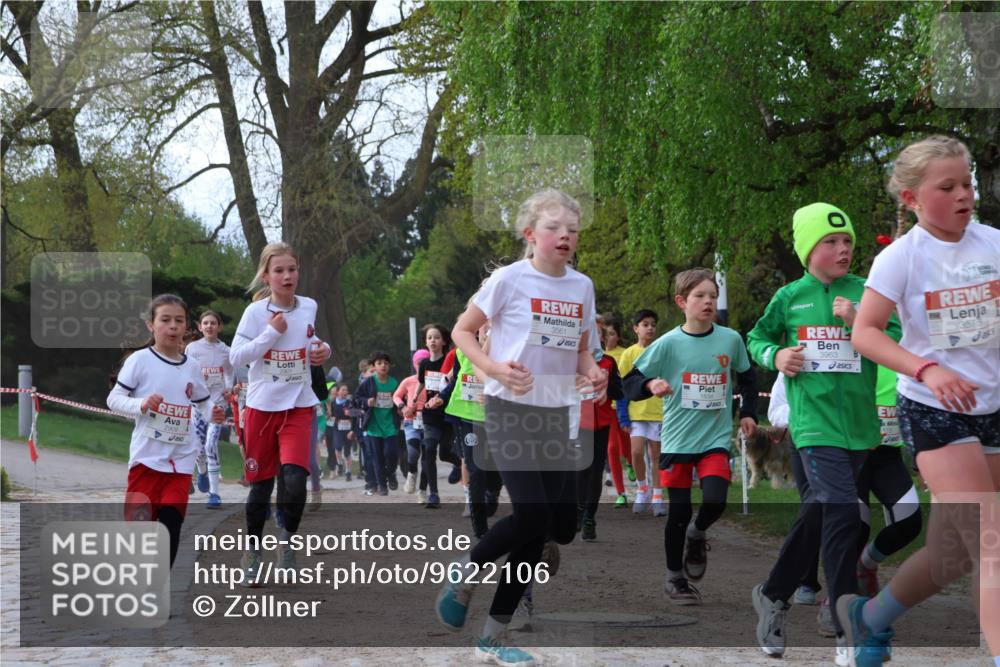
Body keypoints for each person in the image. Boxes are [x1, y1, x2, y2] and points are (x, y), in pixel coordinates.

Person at [434, 188, 607, 667]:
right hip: (509, 408)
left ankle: (492, 637)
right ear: (531, 234)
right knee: (531, 517)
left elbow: (581, 350)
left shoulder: (582, 287)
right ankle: (466, 573)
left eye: (572, 229)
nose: (566, 236)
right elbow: (462, 332)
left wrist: (592, 372)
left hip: (560, 414)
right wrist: (493, 369)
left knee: (546, 531)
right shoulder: (508, 279)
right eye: (555, 228)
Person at [848, 135, 1000, 667]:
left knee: (951, 556)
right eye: (948, 187)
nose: (965, 195)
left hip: (993, 408)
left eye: (968, 183)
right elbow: (865, 333)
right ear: (912, 198)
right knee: (990, 543)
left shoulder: (993, 243)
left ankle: (870, 618)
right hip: (934, 410)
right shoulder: (901, 257)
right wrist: (926, 368)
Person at [746, 202, 901, 661]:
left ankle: (773, 594)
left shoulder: (868, 292)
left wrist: (859, 321)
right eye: (830, 242)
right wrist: (775, 356)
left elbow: (896, 341)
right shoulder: (789, 297)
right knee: (840, 511)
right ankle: (846, 619)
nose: (842, 249)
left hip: (859, 427)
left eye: (847, 241)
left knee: (820, 512)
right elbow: (757, 338)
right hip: (812, 426)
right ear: (807, 250)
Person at [624, 268, 758, 605]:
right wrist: (650, 384)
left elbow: (748, 378)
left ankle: (697, 535)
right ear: (682, 302)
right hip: (677, 441)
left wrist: (750, 413)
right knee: (678, 513)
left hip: (715, 438)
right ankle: (675, 578)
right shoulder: (668, 344)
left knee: (715, 500)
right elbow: (628, 383)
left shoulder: (731, 339)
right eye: (700, 296)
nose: (708, 302)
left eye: (712, 296)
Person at [230, 242, 332, 579]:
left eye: (292, 269)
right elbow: (237, 357)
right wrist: (271, 333)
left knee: (294, 481)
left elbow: (312, 341)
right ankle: (253, 551)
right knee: (260, 487)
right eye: (279, 271)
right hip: (262, 409)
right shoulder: (255, 314)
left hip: (299, 407)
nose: (287, 276)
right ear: (265, 276)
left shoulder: (309, 306)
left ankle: (286, 542)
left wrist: (322, 351)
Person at [110, 294, 224, 567]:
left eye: (179, 320)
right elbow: (114, 399)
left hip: (181, 461)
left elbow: (202, 400)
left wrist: (213, 413)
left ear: (187, 327)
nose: (173, 326)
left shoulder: (191, 366)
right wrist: (141, 404)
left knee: (171, 526)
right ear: (151, 325)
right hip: (146, 459)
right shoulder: (140, 360)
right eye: (165, 320)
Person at [617, 309, 665, 514]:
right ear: (636, 328)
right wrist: (623, 415)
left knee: (656, 455)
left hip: (658, 413)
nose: (650, 328)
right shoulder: (629, 354)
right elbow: (622, 387)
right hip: (636, 413)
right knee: (636, 452)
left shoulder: (661, 351)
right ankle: (642, 489)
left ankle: (657, 496)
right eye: (645, 324)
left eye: (653, 324)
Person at [185, 310, 235, 508]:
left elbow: (230, 373)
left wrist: (229, 390)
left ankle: (214, 494)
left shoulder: (226, 351)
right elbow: (185, 371)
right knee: (198, 448)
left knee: (210, 446)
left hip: (217, 406)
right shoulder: (192, 349)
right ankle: (202, 470)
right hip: (197, 406)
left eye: (213, 323)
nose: (209, 326)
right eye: (205, 323)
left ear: (219, 327)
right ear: (200, 327)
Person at [354, 351, 400, 496]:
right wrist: (366, 402)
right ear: (374, 366)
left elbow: (401, 399)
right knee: (377, 457)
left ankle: (391, 473)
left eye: (386, 363)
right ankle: (382, 486)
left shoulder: (394, 383)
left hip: (390, 426)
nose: (383, 366)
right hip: (374, 426)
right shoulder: (369, 382)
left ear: (389, 366)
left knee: (391, 454)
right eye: (379, 363)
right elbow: (356, 398)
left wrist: (400, 407)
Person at [601, 314, 634, 507]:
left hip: (625, 408)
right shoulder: (594, 355)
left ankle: (630, 463)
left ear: (618, 336)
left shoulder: (625, 354)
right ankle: (621, 493)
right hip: (607, 410)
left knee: (627, 448)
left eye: (612, 334)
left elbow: (629, 382)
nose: (609, 338)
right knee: (612, 448)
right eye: (606, 334)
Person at [395, 349, 430, 497]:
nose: (421, 366)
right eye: (418, 363)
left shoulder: (435, 379)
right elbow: (396, 396)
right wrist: (403, 407)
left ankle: (422, 491)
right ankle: (411, 473)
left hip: (429, 421)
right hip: (411, 421)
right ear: (414, 364)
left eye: (425, 363)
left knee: (428, 460)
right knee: (413, 452)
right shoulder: (408, 381)